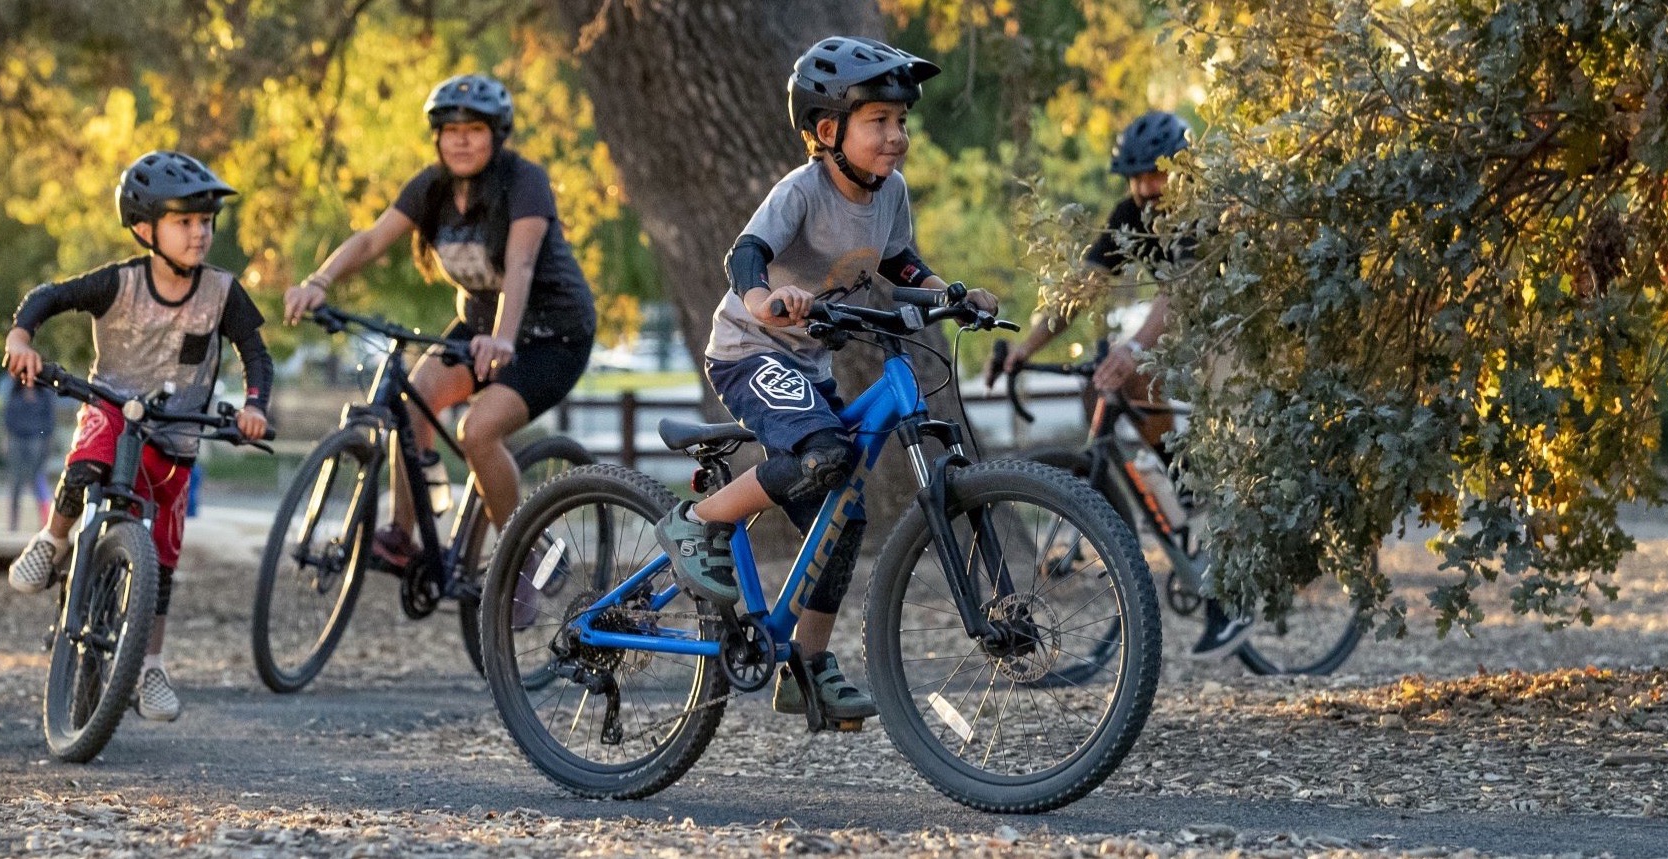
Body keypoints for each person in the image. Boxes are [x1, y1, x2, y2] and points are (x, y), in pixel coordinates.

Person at [659, 36, 997, 727]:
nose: (896, 136)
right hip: (750, 351)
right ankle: (697, 520)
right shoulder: (801, 190)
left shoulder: (889, 193)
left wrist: (950, 294)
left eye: (901, 121)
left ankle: (805, 667)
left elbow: (898, 264)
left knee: (844, 512)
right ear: (825, 131)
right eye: (879, 121)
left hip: (807, 363)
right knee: (823, 454)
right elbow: (745, 254)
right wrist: (761, 300)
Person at [0, 150, 275, 721]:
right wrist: (23, 337)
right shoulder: (118, 283)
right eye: (184, 222)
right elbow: (48, 297)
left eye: (205, 223)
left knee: (164, 562)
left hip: (177, 439)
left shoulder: (223, 293)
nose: (199, 234)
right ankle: (53, 539)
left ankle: (149, 664)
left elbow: (256, 355)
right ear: (146, 229)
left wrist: (254, 406)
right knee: (85, 465)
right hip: (113, 413)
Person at [281, 73, 597, 565]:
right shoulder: (432, 188)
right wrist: (318, 282)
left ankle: (524, 559)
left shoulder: (524, 182)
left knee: (478, 431)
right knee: (411, 401)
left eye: (474, 128)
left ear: (497, 134)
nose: (462, 139)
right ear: (438, 138)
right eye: (451, 131)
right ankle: (404, 534)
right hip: (478, 329)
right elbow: (369, 239)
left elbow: (521, 265)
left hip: (553, 335)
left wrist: (503, 340)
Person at [986, 109, 1249, 657]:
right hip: (1183, 337)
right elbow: (1082, 289)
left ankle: (1230, 594)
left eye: (1155, 174)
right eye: (1136, 177)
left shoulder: (1199, 213)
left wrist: (1131, 351)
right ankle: (1175, 482)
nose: (1145, 188)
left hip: (1237, 331)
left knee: (1229, 450)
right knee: (1100, 389)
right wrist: (1023, 351)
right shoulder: (1130, 213)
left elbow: (1175, 297)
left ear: (1181, 170)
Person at [2, 377, 57, 531]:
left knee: (38, 481)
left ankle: (45, 524)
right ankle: (13, 524)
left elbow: (50, 420)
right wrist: (5, 439)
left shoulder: (44, 394)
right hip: (17, 439)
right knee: (15, 484)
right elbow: (7, 416)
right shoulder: (15, 392)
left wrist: (48, 442)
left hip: (36, 440)